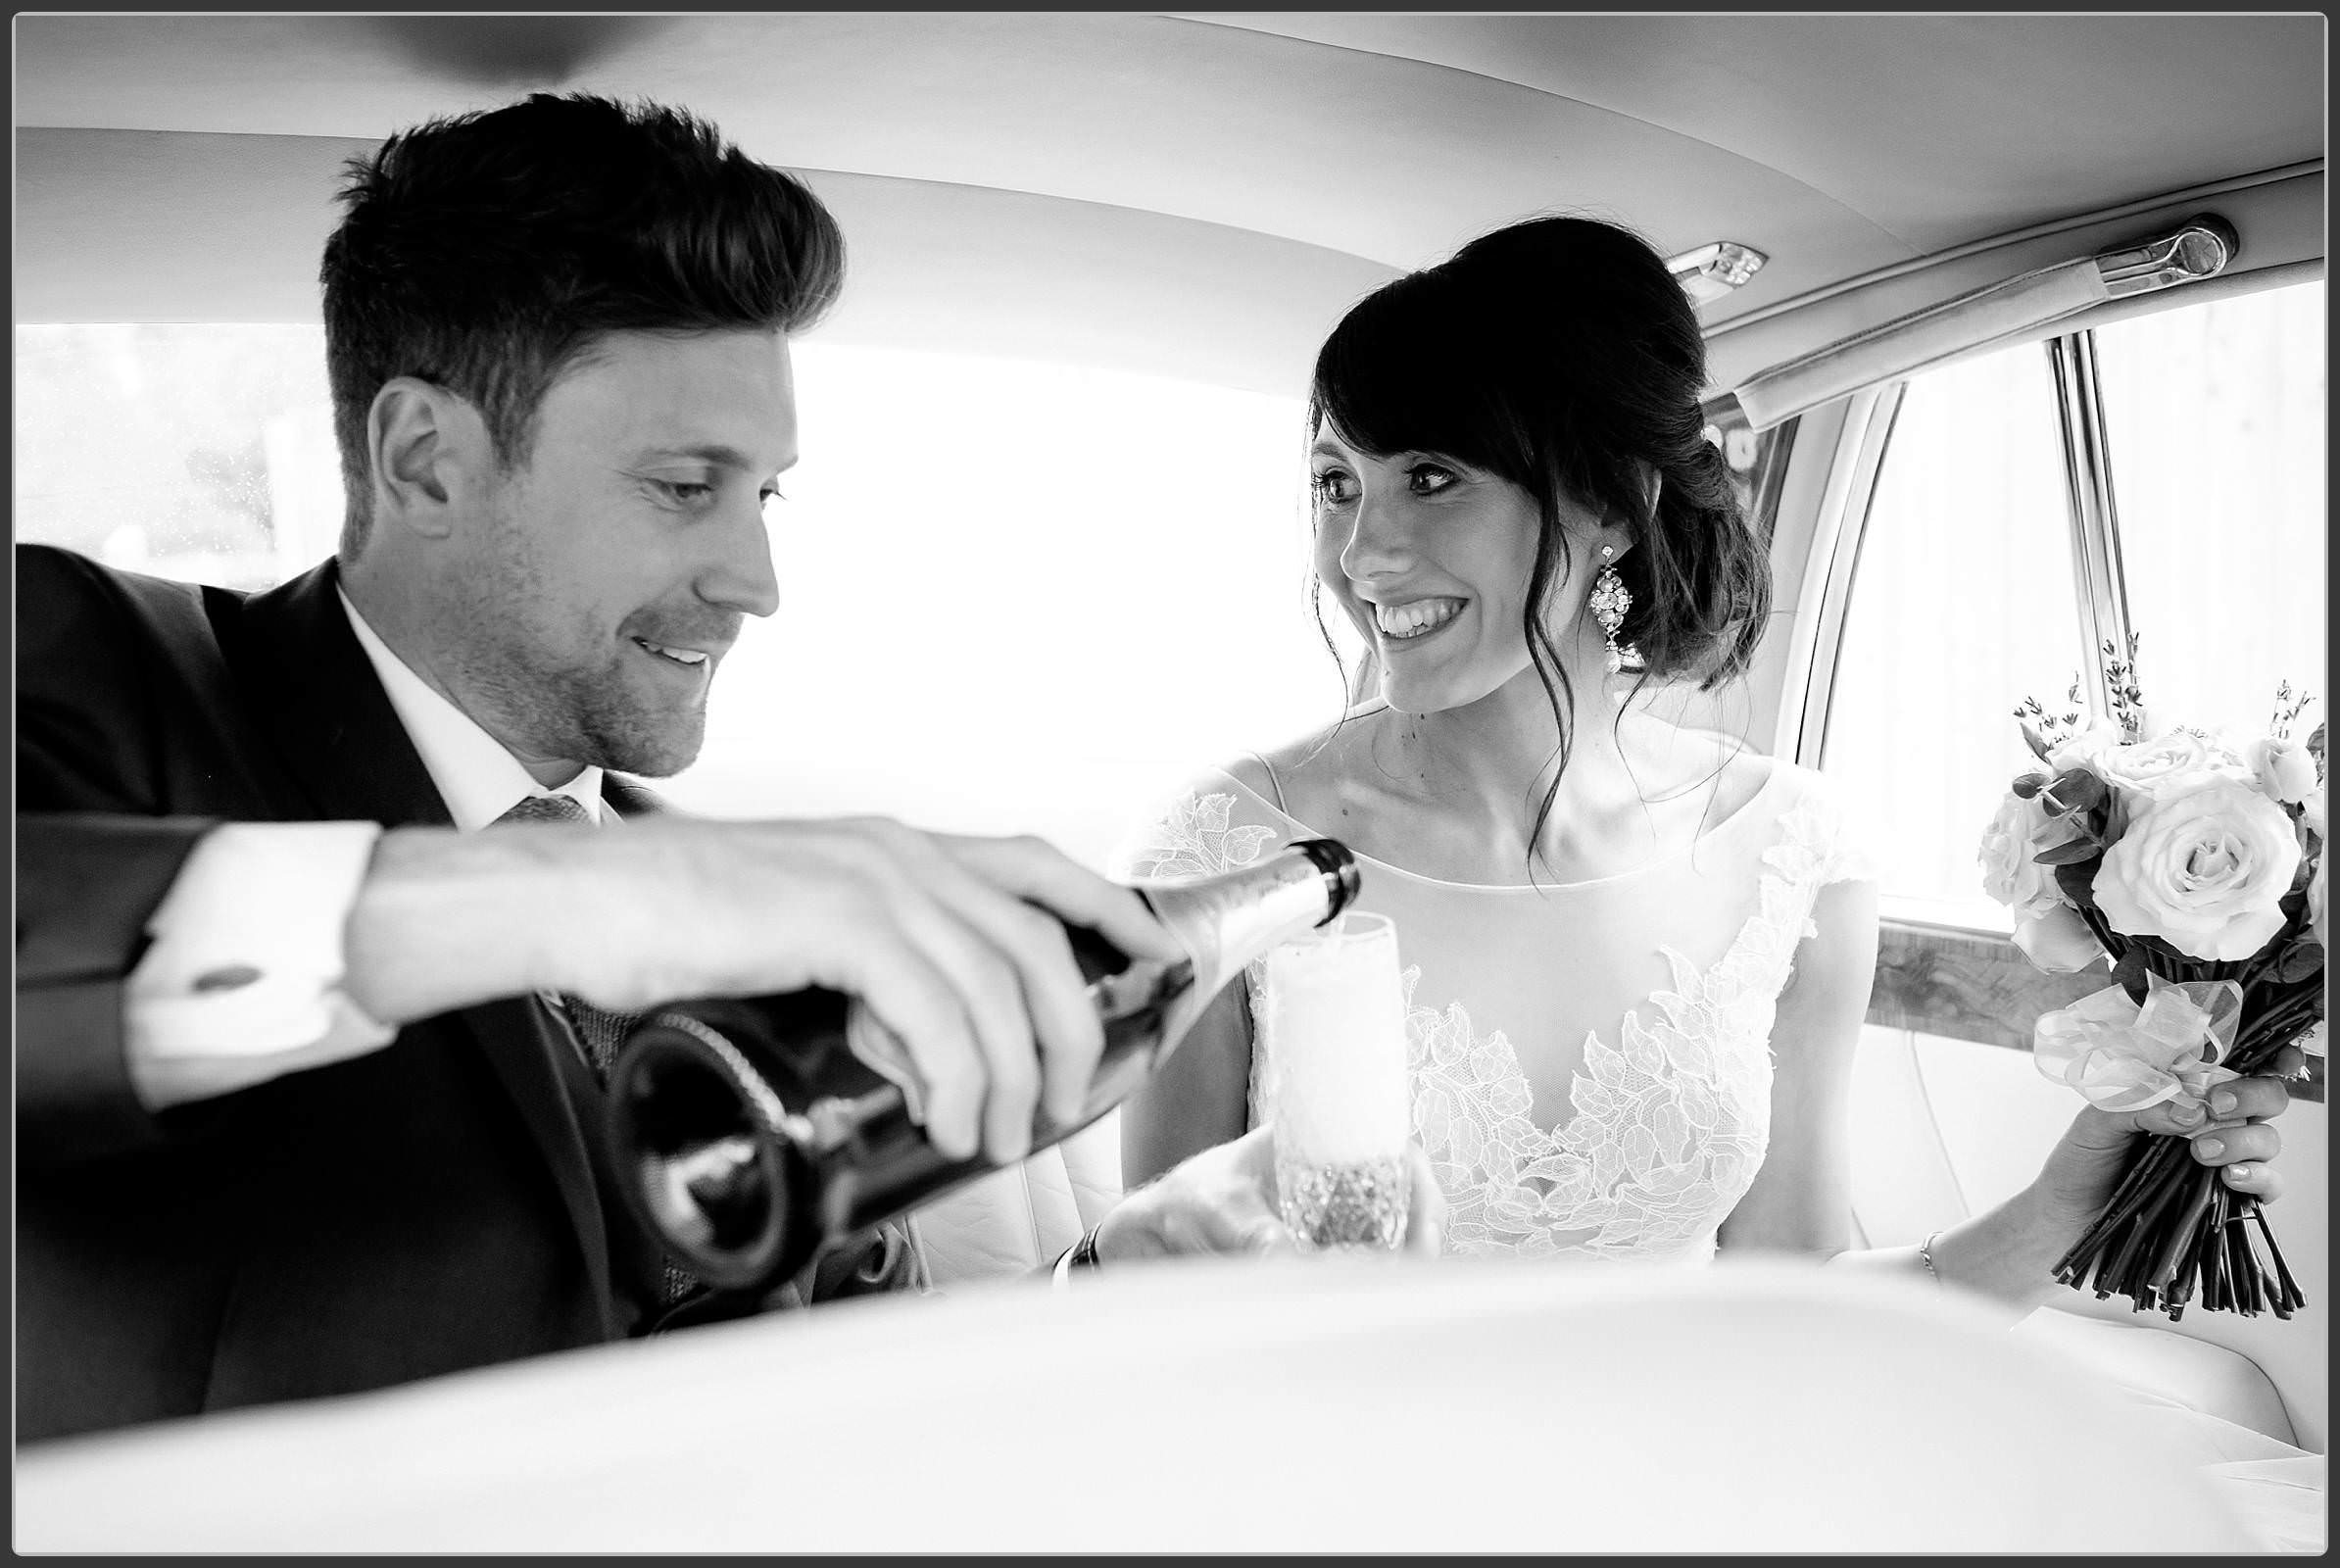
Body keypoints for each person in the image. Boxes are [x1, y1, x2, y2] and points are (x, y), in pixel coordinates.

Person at [13, 91, 1434, 1447]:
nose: (756, 581)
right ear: (426, 459)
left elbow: (849, 1404)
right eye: (684, 487)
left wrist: (1115, 1288)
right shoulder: (87, 671)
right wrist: (562, 899)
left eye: (764, 496)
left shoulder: (743, 924)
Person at [1108, 214, 2304, 1302]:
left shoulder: (1792, 850)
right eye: (1335, 484)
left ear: (1612, 505)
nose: (1363, 552)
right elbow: (1154, 1316)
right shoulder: (1227, 856)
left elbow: (1795, 1307)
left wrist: (2069, 1200)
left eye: (1431, 477)